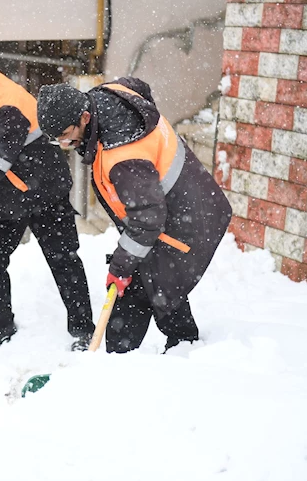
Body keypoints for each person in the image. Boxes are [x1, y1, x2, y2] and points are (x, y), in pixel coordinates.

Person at [36, 78, 232, 353]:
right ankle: (180, 346)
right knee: (157, 282)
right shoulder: (107, 95)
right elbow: (139, 86)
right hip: (190, 202)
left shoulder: (124, 157)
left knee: (149, 282)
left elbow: (147, 220)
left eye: (66, 134)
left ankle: (129, 359)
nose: (65, 143)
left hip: (187, 222)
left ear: (84, 116)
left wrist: (120, 267)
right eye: (57, 139)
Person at [0, 45, 95, 352]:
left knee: (63, 260)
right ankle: (1, 326)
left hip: (45, 192)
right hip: (7, 196)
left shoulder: (7, 105)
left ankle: (83, 330)